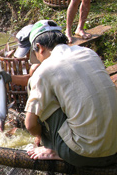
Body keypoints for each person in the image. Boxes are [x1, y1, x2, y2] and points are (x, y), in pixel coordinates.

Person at [24, 19, 117, 167]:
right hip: (114, 149)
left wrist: (40, 135)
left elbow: (29, 124)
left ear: (39, 47)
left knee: (38, 98)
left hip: (84, 155)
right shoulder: (89, 53)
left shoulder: (43, 70)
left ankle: (54, 150)